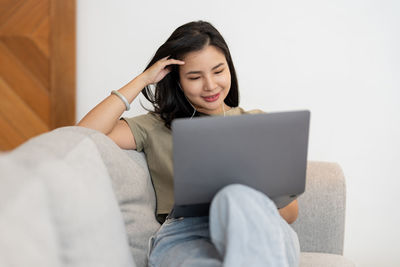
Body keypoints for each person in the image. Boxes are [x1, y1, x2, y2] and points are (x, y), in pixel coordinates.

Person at [78, 20, 300, 267]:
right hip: (187, 234)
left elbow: (290, 212)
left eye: (218, 71)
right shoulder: (155, 126)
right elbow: (83, 135)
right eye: (195, 77)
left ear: (230, 68)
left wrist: (242, 195)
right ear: (177, 81)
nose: (210, 85)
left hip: (258, 225)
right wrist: (142, 80)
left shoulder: (258, 123)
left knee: (235, 195)